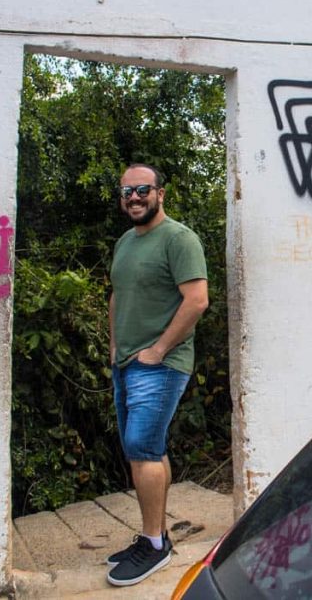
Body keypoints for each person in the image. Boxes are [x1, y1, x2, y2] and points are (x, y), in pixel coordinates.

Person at [104, 163, 209, 587]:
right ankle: (156, 535)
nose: (134, 197)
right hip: (127, 363)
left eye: (143, 189)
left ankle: (153, 546)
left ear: (160, 193)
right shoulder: (125, 242)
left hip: (160, 365)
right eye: (127, 191)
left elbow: (197, 300)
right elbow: (117, 295)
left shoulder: (179, 239)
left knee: (142, 449)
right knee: (147, 448)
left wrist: (159, 349)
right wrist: (115, 346)